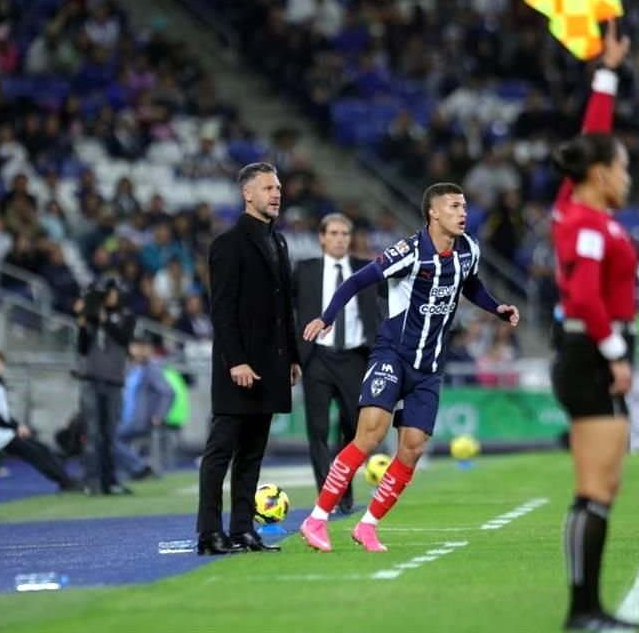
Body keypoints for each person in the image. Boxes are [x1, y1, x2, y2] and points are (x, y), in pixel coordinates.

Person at [299, 183, 519, 553]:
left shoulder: (469, 249)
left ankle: (367, 526)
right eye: (453, 206)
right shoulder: (410, 250)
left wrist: (497, 307)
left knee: (412, 448)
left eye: (464, 205)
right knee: (368, 436)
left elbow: (472, 285)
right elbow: (357, 279)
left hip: (430, 365)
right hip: (393, 356)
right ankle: (316, 518)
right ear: (433, 213)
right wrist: (327, 317)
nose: (463, 212)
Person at [548, 22, 639, 631]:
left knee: (602, 489)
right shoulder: (582, 217)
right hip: (590, 355)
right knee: (594, 489)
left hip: (593, 352)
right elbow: (584, 294)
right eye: (624, 165)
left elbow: (593, 137)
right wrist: (615, 353)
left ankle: (589, 609)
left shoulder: (587, 208)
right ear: (602, 174)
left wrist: (606, 72)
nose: (628, 173)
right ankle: (582, 612)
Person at [196, 162, 301, 555]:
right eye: (269, 188)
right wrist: (236, 361)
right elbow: (221, 311)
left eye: (278, 187)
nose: (277, 194)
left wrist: (292, 356)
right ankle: (209, 533)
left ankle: (242, 529)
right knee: (220, 451)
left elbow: (283, 309)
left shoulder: (279, 242)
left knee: (253, 454)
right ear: (248, 194)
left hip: (271, 366)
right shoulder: (228, 243)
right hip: (237, 368)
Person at [293, 213, 380, 514]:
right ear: (322, 237)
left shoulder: (366, 270)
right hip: (317, 358)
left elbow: (380, 308)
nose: (340, 238)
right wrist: (294, 355)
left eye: (345, 233)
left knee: (353, 429)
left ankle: (343, 487)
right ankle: (326, 496)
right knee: (316, 430)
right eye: (334, 232)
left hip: (355, 357)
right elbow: (291, 312)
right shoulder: (304, 271)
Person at [0, 350, 79, 492]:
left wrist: (17, 426)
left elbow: (4, 415)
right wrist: (15, 427)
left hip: (4, 432)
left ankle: (65, 478)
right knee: (35, 454)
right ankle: (65, 482)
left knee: (43, 449)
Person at [74, 277, 135, 496]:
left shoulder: (126, 315)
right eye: (105, 293)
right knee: (92, 435)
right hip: (90, 380)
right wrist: (83, 322)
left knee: (110, 436)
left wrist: (104, 319)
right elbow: (82, 349)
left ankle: (110, 482)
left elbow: (123, 338)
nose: (109, 296)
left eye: (112, 292)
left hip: (114, 383)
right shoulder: (89, 317)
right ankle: (91, 482)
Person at [116, 333, 174, 478]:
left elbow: (168, 392)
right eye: (137, 346)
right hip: (121, 418)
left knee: (107, 438)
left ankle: (139, 466)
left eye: (144, 347)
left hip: (140, 420)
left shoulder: (152, 370)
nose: (140, 350)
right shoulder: (127, 368)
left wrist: (159, 415)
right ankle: (134, 468)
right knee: (105, 437)